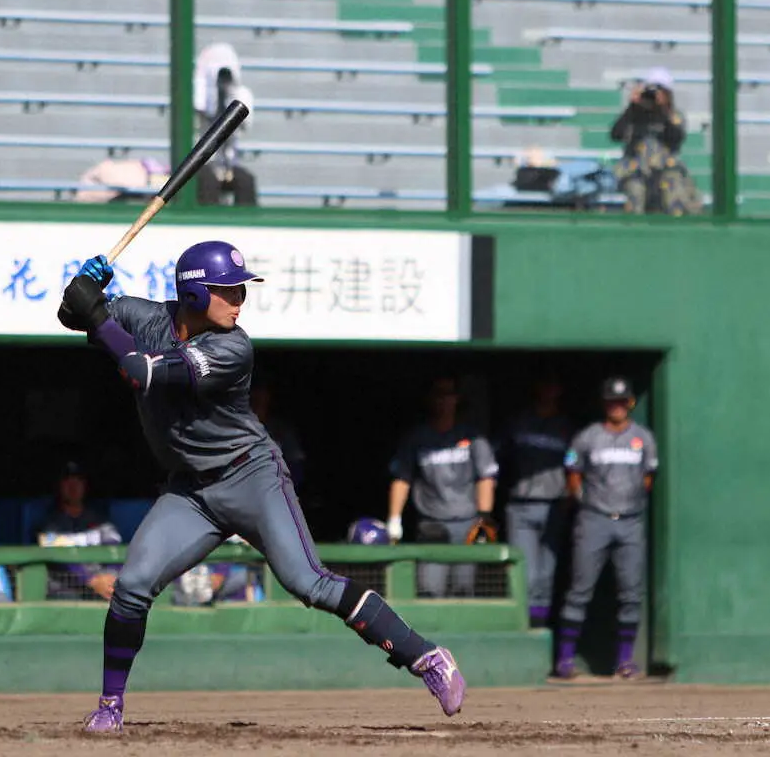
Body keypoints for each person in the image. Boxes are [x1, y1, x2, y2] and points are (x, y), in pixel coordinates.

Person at [57, 242, 466, 732]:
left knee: (308, 582)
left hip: (251, 476)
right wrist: (81, 293)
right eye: (226, 289)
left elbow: (140, 372)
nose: (239, 299)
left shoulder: (233, 347)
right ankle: (110, 707)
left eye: (240, 289)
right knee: (131, 588)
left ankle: (425, 657)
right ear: (191, 293)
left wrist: (96, 313)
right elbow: (74, 317)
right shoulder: (143, 316)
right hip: (190, 492)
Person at [555, 377, 658, 680]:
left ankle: (625, 661)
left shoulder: (643, 438)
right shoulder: (588, 437)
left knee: (631, 593)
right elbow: (572, 471)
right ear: (604, 404)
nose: (617, 407)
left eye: (622, 401)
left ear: (630, 403)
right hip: (594, 519)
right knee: (579, 590)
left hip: (630, 520)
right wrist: (582, 498)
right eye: (612, 402)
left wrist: (634, 497)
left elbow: (649, 475)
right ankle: (564, 659)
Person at [387, 376, 499, 598]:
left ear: (457, 399)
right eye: (438, 394)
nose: (444, 401)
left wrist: (485, 517)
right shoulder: (417, 437)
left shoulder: (472, 436)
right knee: (430, 589)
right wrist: (394, 519)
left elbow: (486, 476)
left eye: (448, 394)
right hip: (432, 523)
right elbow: (402, 477)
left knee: (463, 589)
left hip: (467, 523)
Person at [501, 375, 573, 628]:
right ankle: (523, 629)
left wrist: (570, 498)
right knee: (526, 576)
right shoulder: (518, 422)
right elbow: (498, 461)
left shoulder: (566, 426)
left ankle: (539, 628)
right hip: (520, 505)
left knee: (545, 577)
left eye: (554, 387)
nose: (549, 391)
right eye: (545, 386)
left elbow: (576, 467)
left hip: (554, 505)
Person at [609, 67, 702, 216]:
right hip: (636, 169)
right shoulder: (634, 115)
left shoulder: (674, 116)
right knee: (635, 189)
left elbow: (676, 138)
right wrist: (632, 107)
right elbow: (615, 135)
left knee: (673, 188)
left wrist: (663, 110)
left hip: (665, 169)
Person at [36, 460, 122, 601]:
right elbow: (60, 560)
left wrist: (109, 579)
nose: (73, 486)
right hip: (66, 589)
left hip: (103, 585)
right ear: (59, 486)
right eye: (67, 481)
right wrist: (91, 580)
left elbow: (116, 554)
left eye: (78, 481)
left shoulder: (100, 522)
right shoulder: (49, 524)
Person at [193, 42, 258, 206]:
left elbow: (243, 123)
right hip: (200, 162)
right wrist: (212, 93)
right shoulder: (197, 92)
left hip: (228, 161)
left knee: (245, 180)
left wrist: (227, 95)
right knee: (207, 180)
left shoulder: (240, 94)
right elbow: (200, 110)